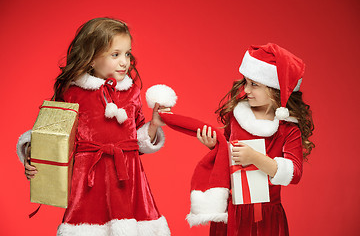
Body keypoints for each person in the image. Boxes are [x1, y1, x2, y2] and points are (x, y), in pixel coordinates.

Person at [16, 17, 171, 236]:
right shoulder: (72, 93)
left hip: (129, 180)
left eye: (127, 53)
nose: (124, 62)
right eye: (115, 54)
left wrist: (154, 124)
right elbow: (51, 133)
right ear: (91, 58)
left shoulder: (132, 92)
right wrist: (33, 153)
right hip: (90, 185)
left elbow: (138, 140)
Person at [196, 43, 315, 235]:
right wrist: (215, 147)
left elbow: (295, 173)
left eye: (255, 84)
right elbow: (227, 157)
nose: (246, 90)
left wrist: (255, 158)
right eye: (246, 82)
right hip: (232, 209)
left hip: (265, 215)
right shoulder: (237, 117)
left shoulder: (288, 128)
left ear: (275, 89)